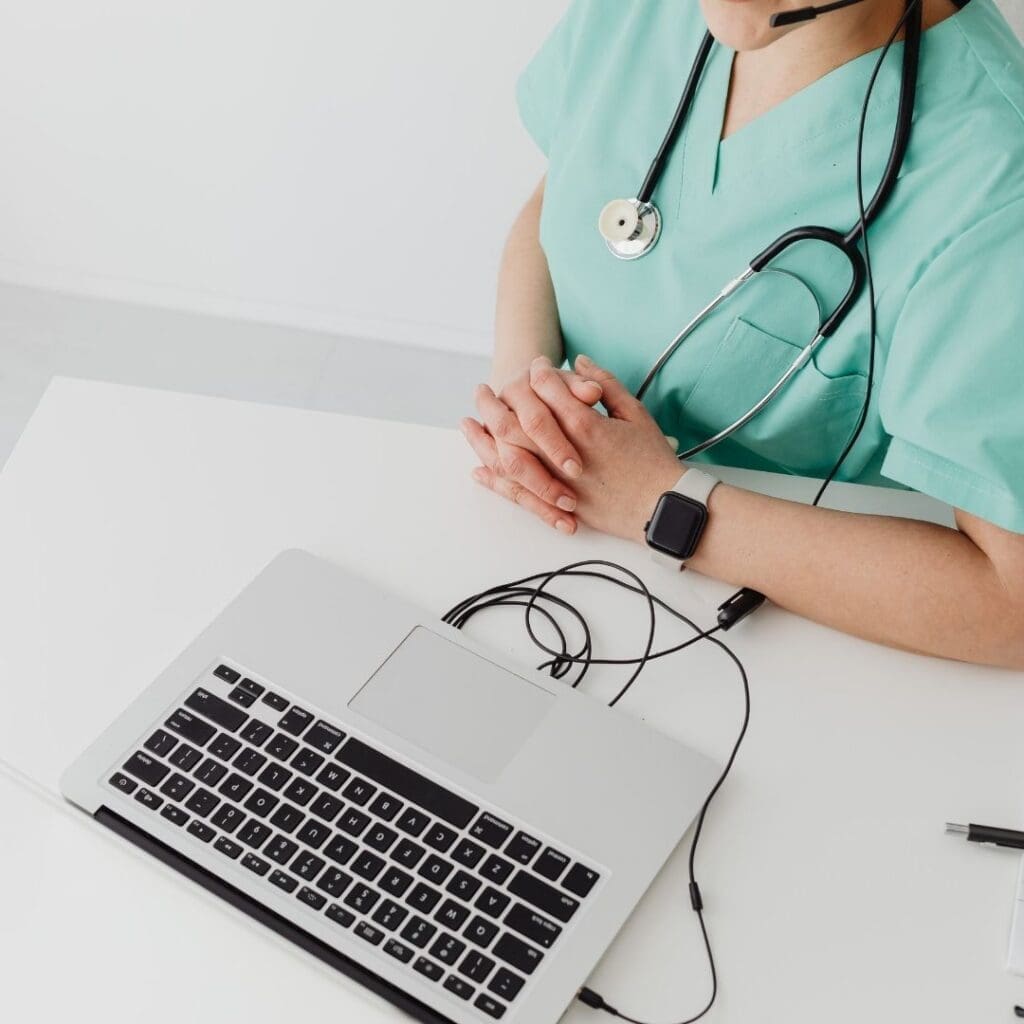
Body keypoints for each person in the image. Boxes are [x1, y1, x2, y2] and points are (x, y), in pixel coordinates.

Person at [459, 0, 1024, 668]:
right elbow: (559, 199)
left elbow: (1010, 605)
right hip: (532, 550)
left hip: (767, 637)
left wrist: (663, 505)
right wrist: (526, 394)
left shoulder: (993, 186)